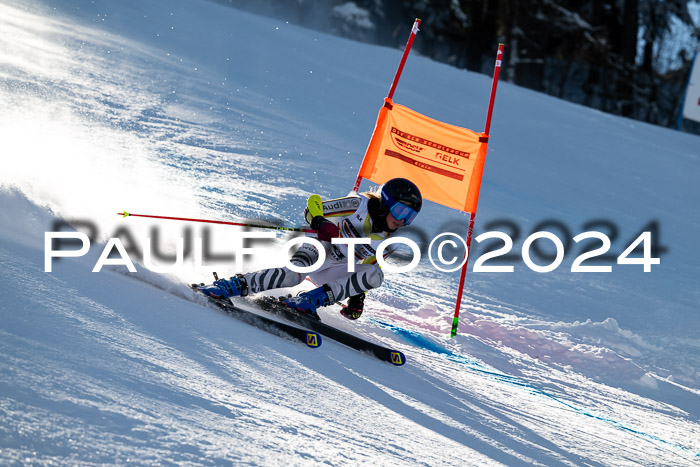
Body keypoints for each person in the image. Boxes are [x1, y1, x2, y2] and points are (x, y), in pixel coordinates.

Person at [198, 178, 422, 320]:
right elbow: (313, 205)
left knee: (376, 275)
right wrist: (320, 222)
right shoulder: (358, 205)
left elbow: (366, 268)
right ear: (385, 202)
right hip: (317, 246)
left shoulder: (389, 243)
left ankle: (308, 301)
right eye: (401, 211)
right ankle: (230, 286)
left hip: (336, 267)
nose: (403, 220)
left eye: (410, 216)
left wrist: (356, 296)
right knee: (294, 275)